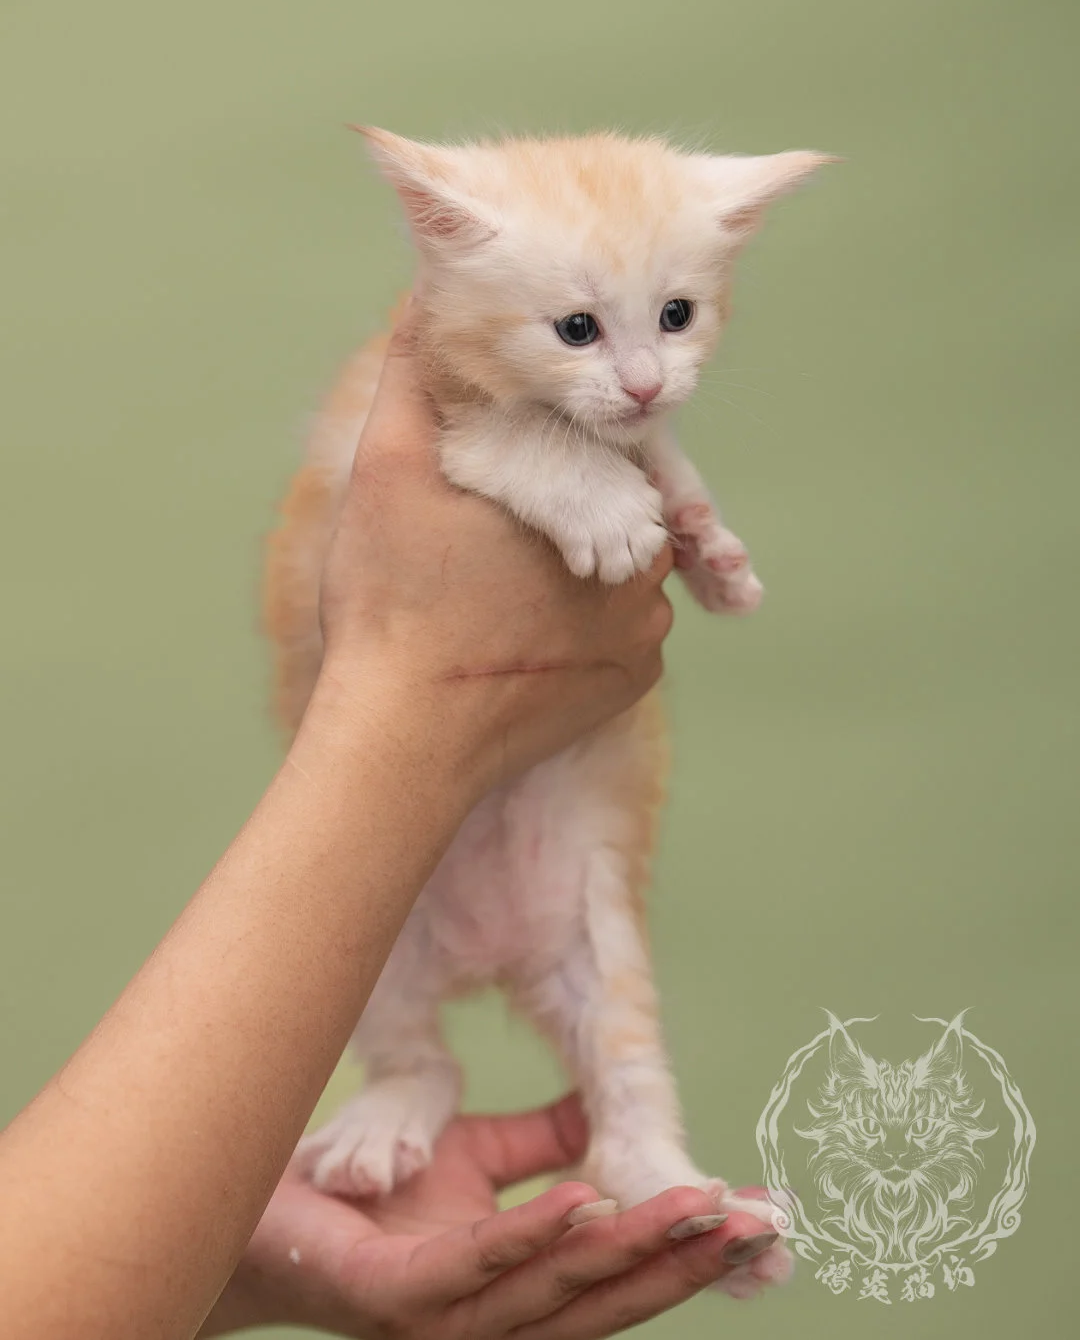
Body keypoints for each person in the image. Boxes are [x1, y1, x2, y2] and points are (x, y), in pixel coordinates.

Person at [0, 314, 772, 1339]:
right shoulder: (459, 384)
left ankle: (635, 1131)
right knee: (401, 926)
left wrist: (244, 1247)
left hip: (536, 794)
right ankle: (413, 1067)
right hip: (419, 749)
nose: (641, 370)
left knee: (589, 912)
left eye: (677, 318)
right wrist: (423, 699)